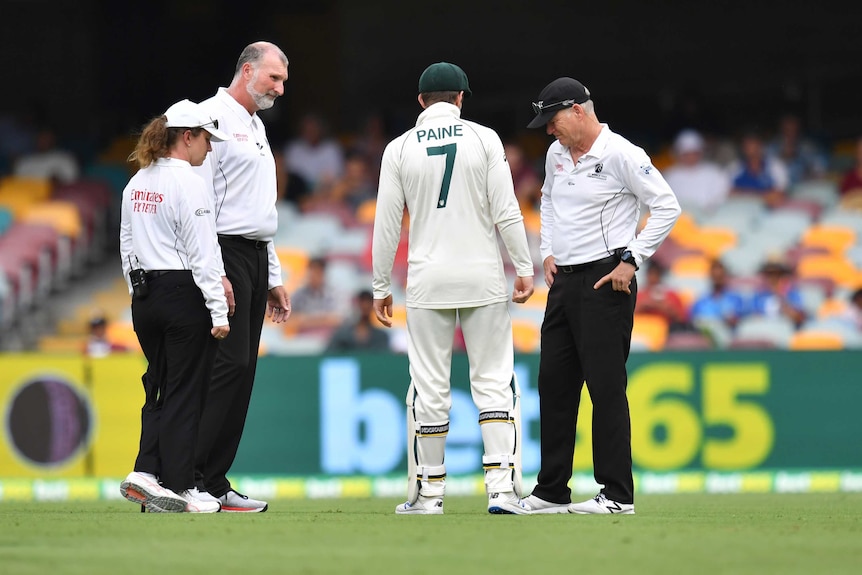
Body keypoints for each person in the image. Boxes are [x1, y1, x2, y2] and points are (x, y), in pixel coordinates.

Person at [372, 62, 535, 515]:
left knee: (429, 387)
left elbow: (387, 224)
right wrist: (524, 266)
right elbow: (506, 210)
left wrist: (380, 285)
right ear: (461, 98)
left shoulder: (399, 147)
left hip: (427, 279)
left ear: (421, 101)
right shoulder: (484, 139)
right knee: (493, 383)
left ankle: (429, 494)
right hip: (482, 274)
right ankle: (501, 491)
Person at [523, 77, 681, 515]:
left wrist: (632, 260)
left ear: (577, 110)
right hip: (564, 281)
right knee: (553, 384)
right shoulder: (556, 154)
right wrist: (547, 250)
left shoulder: (622, 154)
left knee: (605, 387)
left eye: (553, 120)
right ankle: (551, 490)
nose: (549, 131)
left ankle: (616, 495)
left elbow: (667, 205)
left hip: (605, 278)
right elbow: (549, 201)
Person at [118, 99, 232, 514]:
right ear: (187, 137)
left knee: (159, 386)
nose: (210, 148)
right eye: (206, 138)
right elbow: (203, 251)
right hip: (183, 293)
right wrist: (218, 312)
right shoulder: (188, 182)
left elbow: (126, 246)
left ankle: (148, 473)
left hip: (145, 294)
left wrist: (137, 292)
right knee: (185, 391)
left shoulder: (137, 181)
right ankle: (182, 486)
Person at [191, 41, 291, 513]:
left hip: (252, 253)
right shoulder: (209, 116)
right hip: (224, 252)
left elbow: (258, 208)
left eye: (283, 81)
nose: (280, 88)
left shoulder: (254, 125)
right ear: (247, 71)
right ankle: (191, 478)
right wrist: (213, 271)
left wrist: (272, 274)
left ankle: (214, 480)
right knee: (224, 367)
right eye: (273, 78)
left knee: (242, 371)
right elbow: (201, 202)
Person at [662, 129, 731, 214]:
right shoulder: (670, 176)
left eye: (694, 153)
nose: (691, 157)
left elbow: (722, 197)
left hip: (711, 219)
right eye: (686, 154)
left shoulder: (715, 173)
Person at [727, 128, 789, 209]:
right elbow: (729, 194)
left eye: (752, 143)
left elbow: (779, 194)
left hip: (768, 211)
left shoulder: (775, 166)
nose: (748, 147)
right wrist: (763, 195)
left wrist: (744, 194)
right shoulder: (734, 167)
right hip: (740, 210)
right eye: (745, 144)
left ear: (760, 145)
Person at [289, 256, 349, 336]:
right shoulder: (299, 294)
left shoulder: (335, 293)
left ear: (323, 273)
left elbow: (339, 319)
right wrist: (323, 319)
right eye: (311, 271)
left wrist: (305, 320)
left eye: (317, 272)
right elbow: (288, 320)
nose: (313, 275)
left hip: (330, 339)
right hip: (302, 340)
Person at [635, 261, 692, 333]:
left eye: (656, 275)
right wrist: (644, 305)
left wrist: (667, 308)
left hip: (668, 332)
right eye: (651, 274)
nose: (653, 278)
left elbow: (682, 319)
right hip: (641, 331)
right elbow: (628, 316)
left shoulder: (671, 296)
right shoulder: (639, 295)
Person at [326, 289, 390, 352]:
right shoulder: (342, 334)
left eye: (368, 304)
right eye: (362, 303)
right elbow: (331, 354)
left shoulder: (381, 336)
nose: (365, 306)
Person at [750, 257, 806, 328]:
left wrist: (780, 296)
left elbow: (798, 317)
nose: (773, 277)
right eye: (769, 274)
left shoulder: (792, 293)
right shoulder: (759, 295)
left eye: (777, 273)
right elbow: (753, 316)